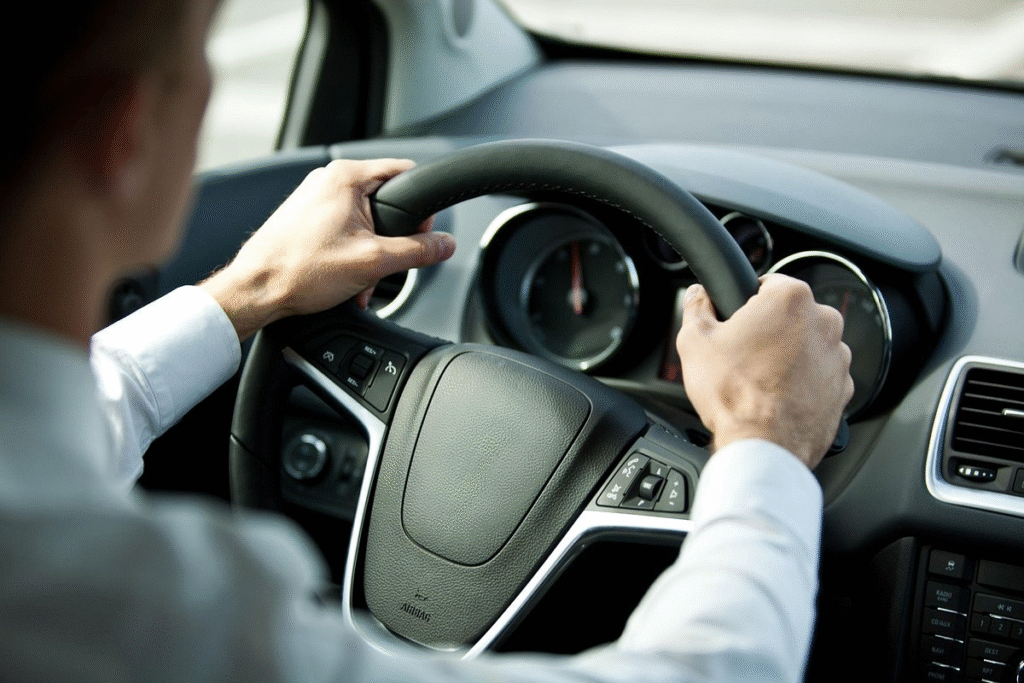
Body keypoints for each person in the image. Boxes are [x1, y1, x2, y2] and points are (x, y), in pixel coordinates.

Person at [0, 0, 853, 681]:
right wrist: (764, 437)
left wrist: (251, 291)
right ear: (129, 135)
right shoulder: (153, 619)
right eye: (198, 57)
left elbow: (74, 412)